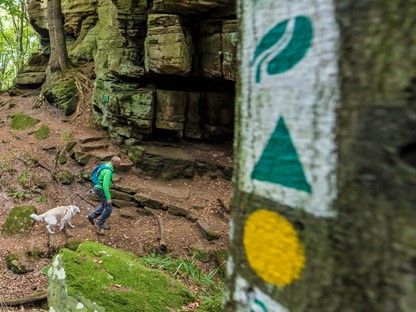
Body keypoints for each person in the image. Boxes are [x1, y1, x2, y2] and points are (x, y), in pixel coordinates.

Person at [86, 156, 122, 230]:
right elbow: (105, 186)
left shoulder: (106, 165)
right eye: (118, 163)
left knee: (103, 206)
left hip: (97, 188)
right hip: (101, 190)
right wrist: (108, 198)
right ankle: (99, 224)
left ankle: (91, 216)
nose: (119, 165)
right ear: (114, 162)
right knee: (108, 208)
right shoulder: (108, 171)